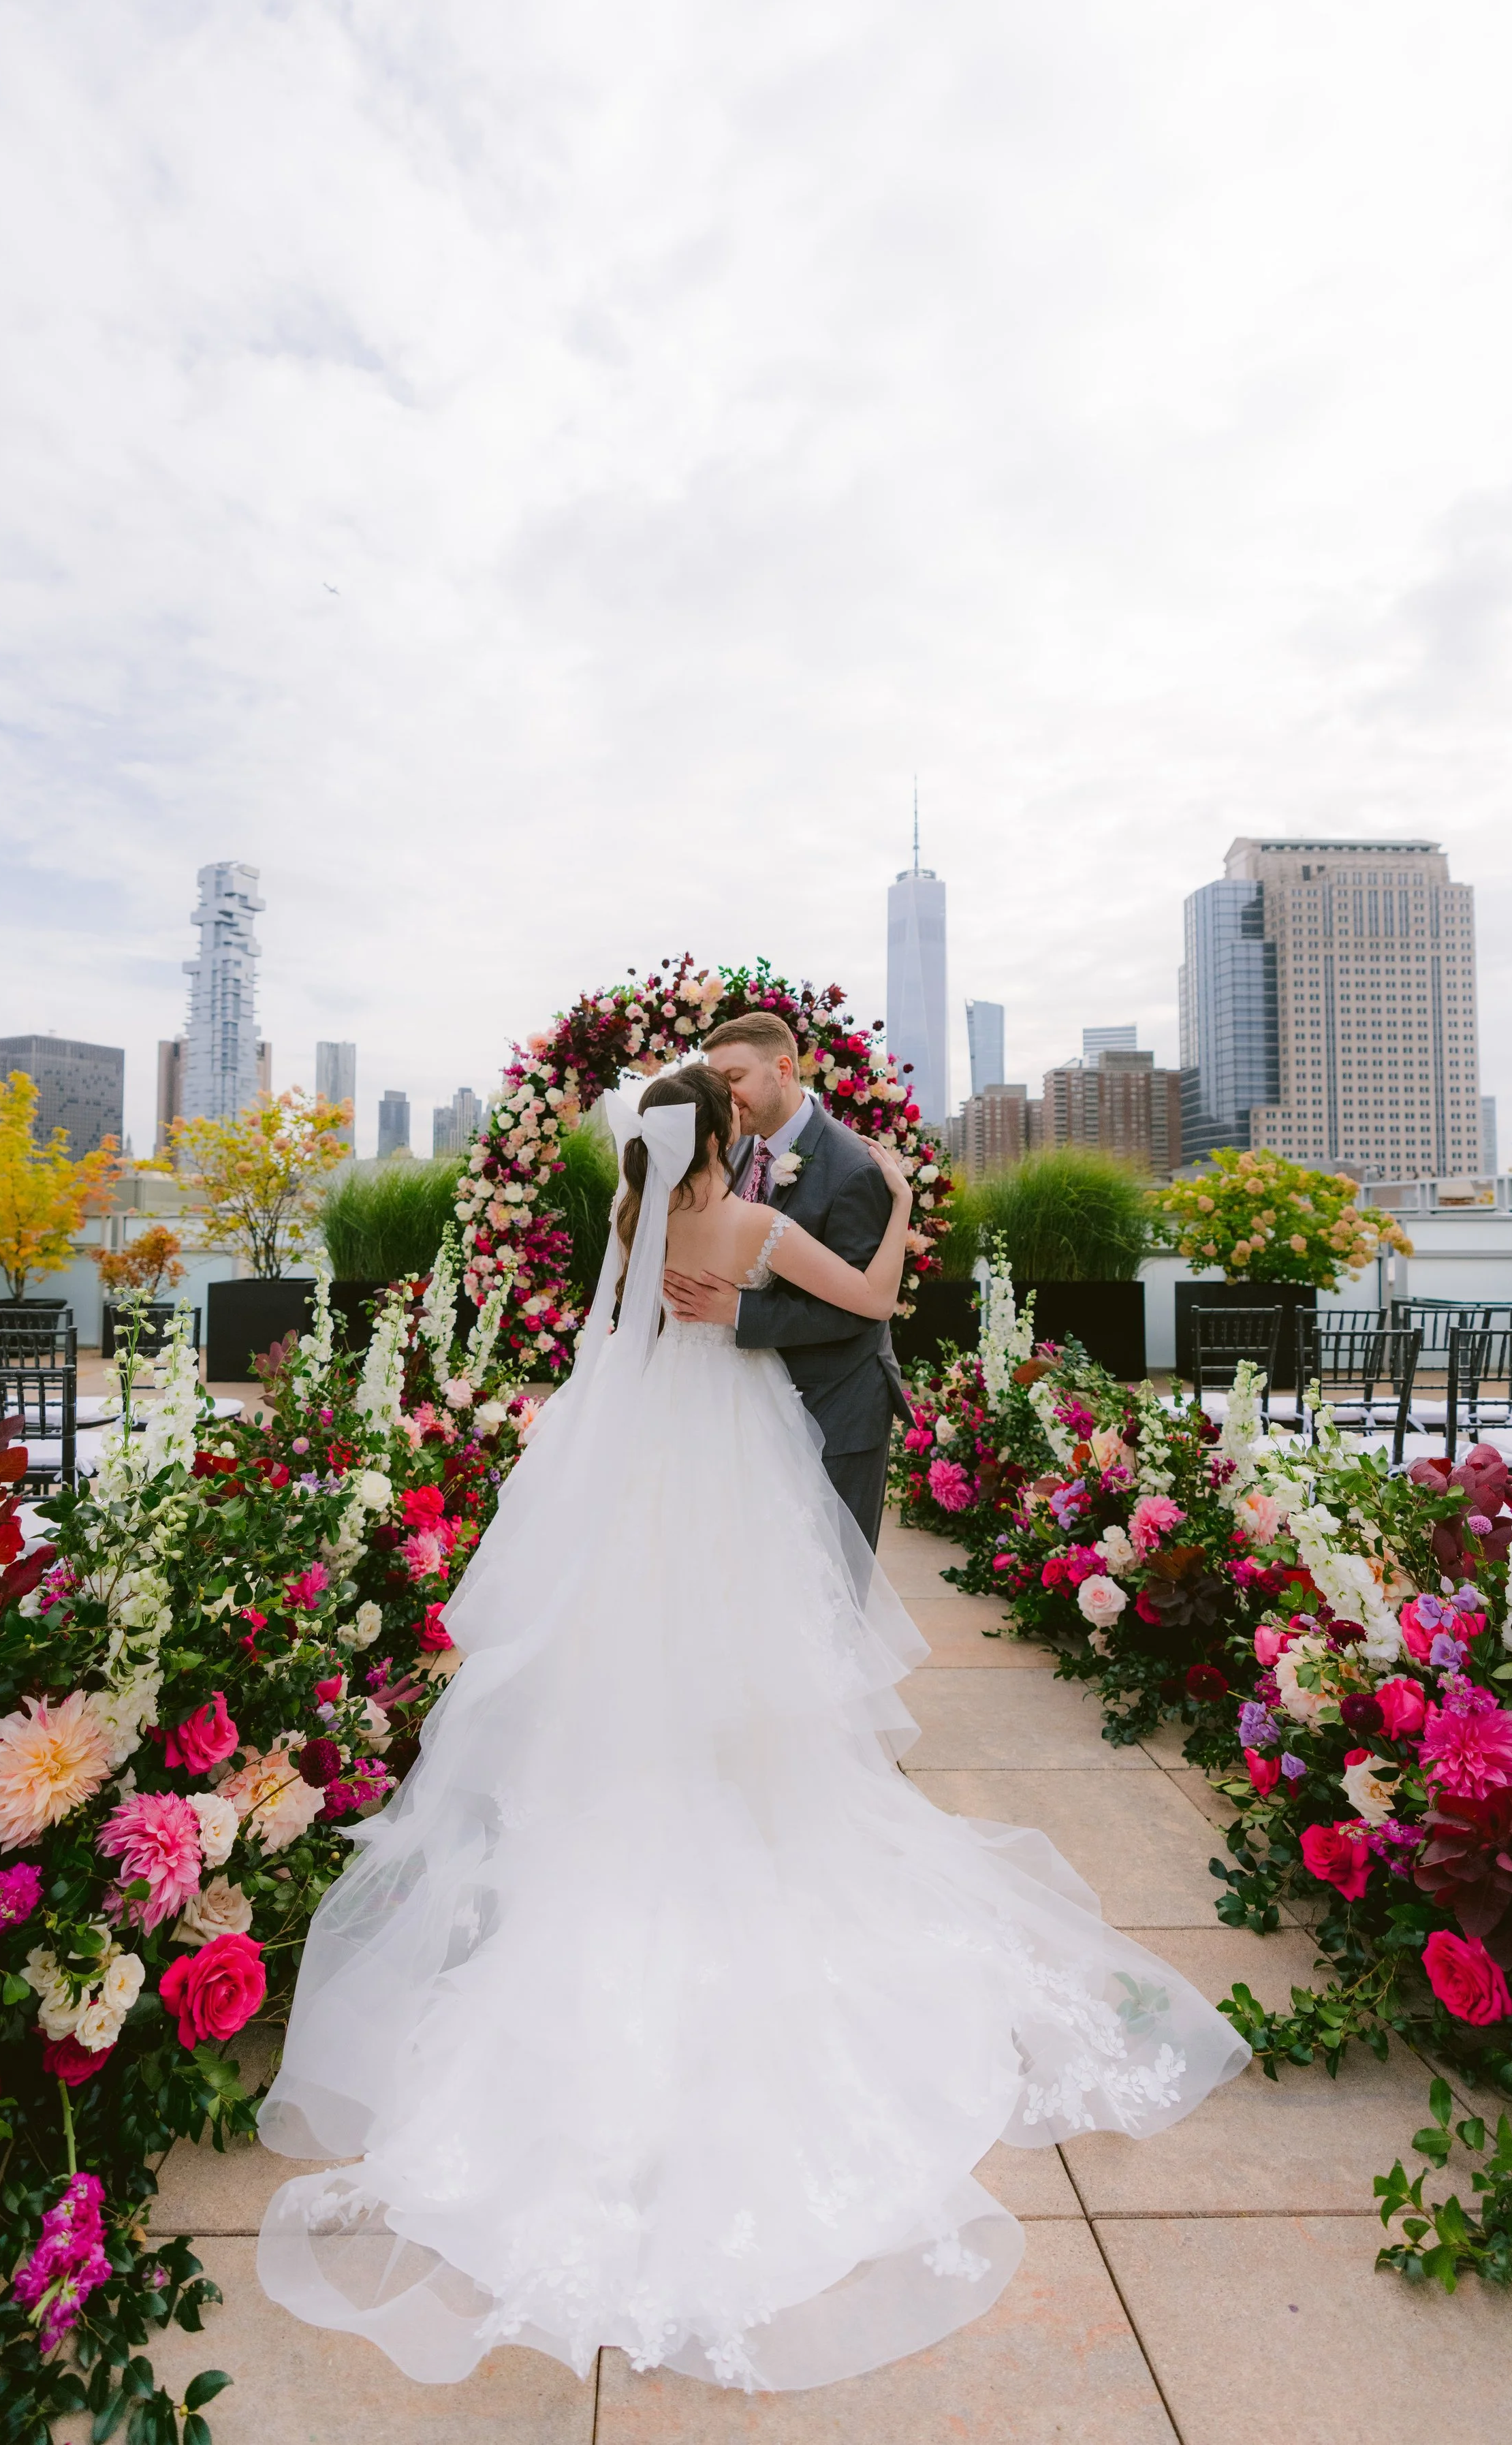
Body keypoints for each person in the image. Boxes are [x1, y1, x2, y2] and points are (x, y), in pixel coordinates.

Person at [256, 1064, 1247, 2395]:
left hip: (641, 1471)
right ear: (721, 1138)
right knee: (749, 1674)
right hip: (734, 1460)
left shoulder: (632, 1230)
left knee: (635, 1668)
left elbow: (604, 1357)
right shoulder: (755, 1230)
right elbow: (880, 1298)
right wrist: (887, 1205)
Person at [663, 1011, 909, 1549]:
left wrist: (739, 1313)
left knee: (834, 1585)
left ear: (783, 1068)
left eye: (733, 1079)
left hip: (836, 1402)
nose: (726, 1099)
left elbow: (862, 1307)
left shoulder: (854, 1169)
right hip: (757, 1406)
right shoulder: (736, 1148)